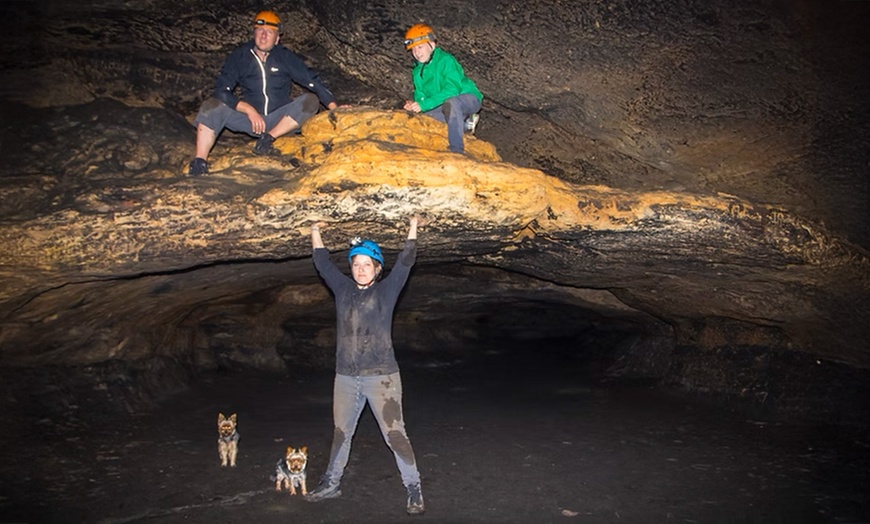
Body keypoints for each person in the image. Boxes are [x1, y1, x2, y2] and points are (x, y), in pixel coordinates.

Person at [305, 217, 425, 516]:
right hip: (345, 377)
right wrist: (315, 230)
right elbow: (322, 263)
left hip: (382, 377)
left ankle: (414, 489)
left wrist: (413, 226)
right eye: (356, 263)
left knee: (395, 434)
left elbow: (406, 262)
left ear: (376, 269)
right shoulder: (343, 290)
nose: (360, 268)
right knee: (341, 432)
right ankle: (331, 483)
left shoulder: (386, 291)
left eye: (366, 264)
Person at [187, 10, 339, 175]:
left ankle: (268, 138)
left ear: (277, 38)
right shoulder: (240, 56)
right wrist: (248, 110)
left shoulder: (284, 57)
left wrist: (335, 109)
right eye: (260, 31)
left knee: (311, 100)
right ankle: (199, 162)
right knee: (211, 106)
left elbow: (312, 81)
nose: (264, 35)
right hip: (251, 120)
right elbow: (221, 91)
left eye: (269, 32)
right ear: (254, 33)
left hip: (280, 120)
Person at [402, 24, 483, 155]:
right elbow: (421, 96)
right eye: (413, 49)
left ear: (432, 45)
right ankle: (466, 123)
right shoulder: (417, 72)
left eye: (420, 47)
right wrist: (415, 105)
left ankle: (457, 151)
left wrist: (424, 104)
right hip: (444, 105)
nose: (417, 52)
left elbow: (452, 90)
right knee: (424, 118)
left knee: (452, 103)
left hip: (467, 99)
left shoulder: (446, 60)